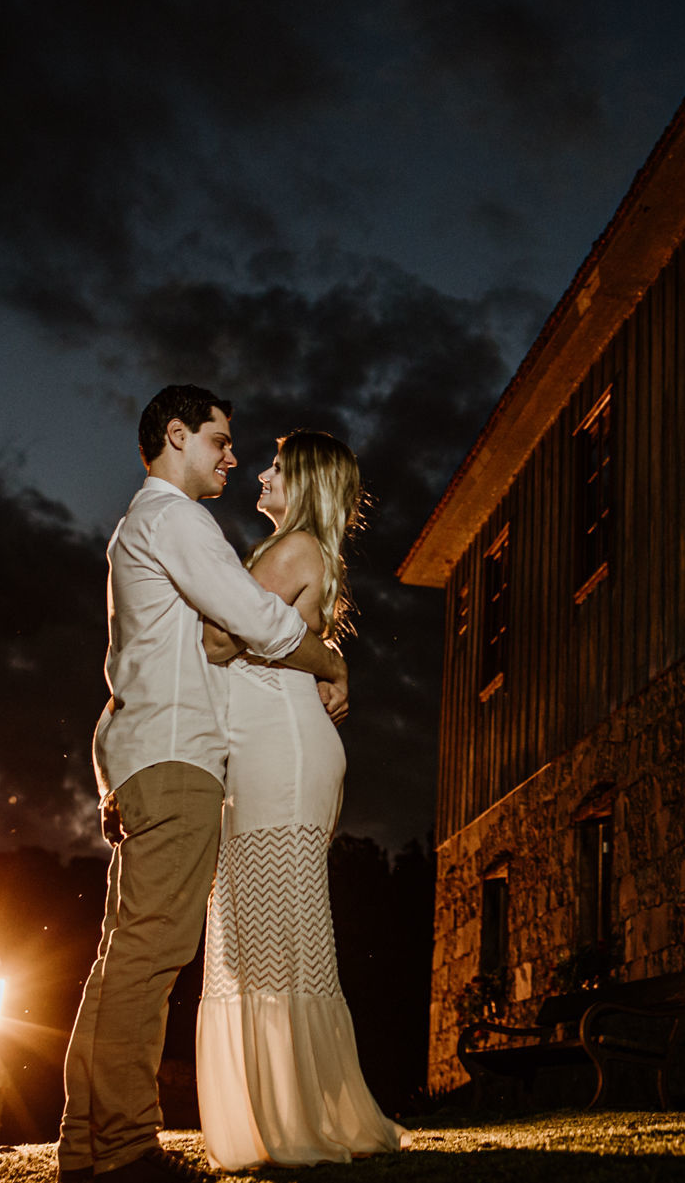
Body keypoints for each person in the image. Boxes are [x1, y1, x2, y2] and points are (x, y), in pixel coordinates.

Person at [58, 386, 351, 1183]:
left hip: (137, 756)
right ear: (176, 435)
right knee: (151, 955)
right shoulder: (176, 519)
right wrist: (328, 658)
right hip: (176, 758)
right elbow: (254, 619)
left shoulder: (139, 526)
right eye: (219, 440)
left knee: (123, 955)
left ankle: (87, 1146)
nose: (231, 456)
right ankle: (122, 1149)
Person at [194, 431, 407, 1168]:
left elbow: (223, 645)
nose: (259, 472)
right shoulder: (285, 551)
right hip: (263, 748)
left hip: (280, 752)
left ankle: (296, 1119)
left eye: (277, 466)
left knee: (276, 938)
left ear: (307, 480)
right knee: (261, 937)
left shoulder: (293, 550)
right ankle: (285, 1115)